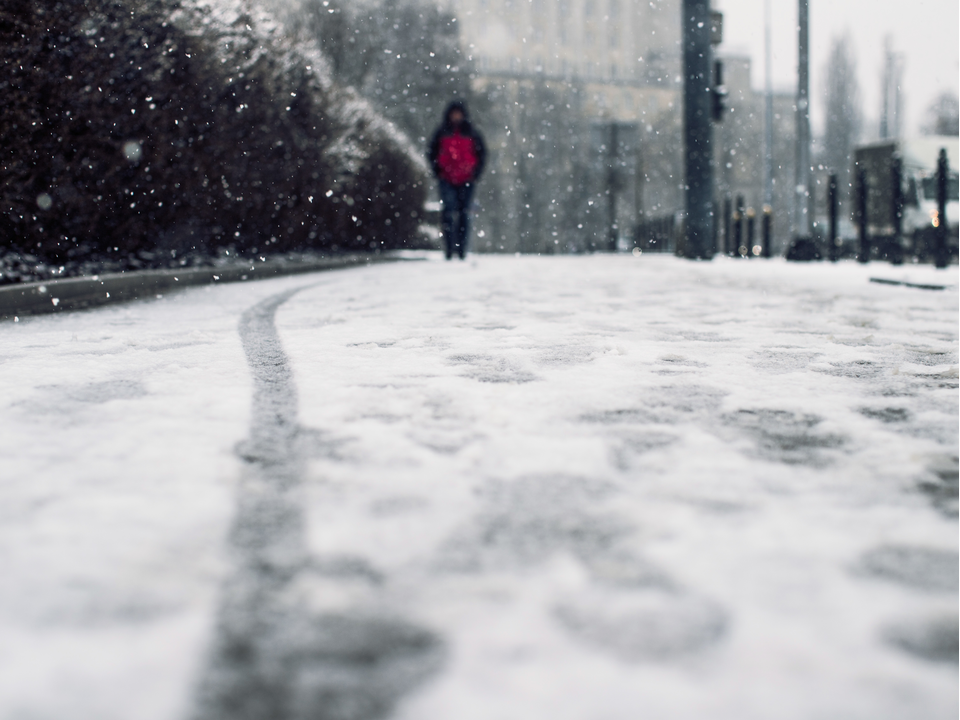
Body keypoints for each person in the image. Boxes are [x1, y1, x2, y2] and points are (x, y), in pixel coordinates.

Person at [428, 100, 486, 260]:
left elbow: (482, 155)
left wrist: (475, 174)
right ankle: (448, 249)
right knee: (448, 212)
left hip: (467, 179)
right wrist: (438, 171)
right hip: (446, 178)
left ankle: (461, 250)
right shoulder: (441, 132)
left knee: (463, 214)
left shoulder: (472, 133)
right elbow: (432, 152)